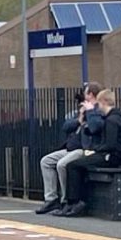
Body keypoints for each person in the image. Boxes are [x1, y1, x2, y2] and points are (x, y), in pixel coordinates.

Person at [60, 89, 121, 217]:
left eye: (99, 103)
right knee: (77, 166)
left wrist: (94, 150)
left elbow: (110, 145)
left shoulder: (112, 120)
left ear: (103, 102)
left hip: (109, 157)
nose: (98, 107)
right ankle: (76, 201)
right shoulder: (114, 118)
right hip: (109, 155)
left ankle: (74, 202)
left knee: (73, 166)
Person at [36, 82, 103, 214]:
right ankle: (51, 199)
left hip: (84, 148)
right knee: (46, 161)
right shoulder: (82, 110)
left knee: (62, 164)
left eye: (85, 93)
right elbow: (66, 127)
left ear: (90, 94)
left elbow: (96, 127)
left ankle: (65, 200)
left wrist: (89, 112)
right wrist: (79, 119)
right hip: (70, 147)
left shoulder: (98, 110)